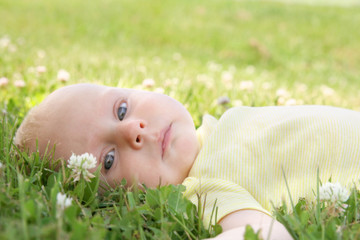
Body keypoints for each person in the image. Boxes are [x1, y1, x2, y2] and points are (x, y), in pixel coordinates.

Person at [15, 83, 360, 239]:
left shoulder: (219, 129)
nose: (132, 130)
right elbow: (264, 234)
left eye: (121, 109)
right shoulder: (207, 187)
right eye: (108, 160)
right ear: (125, 200)